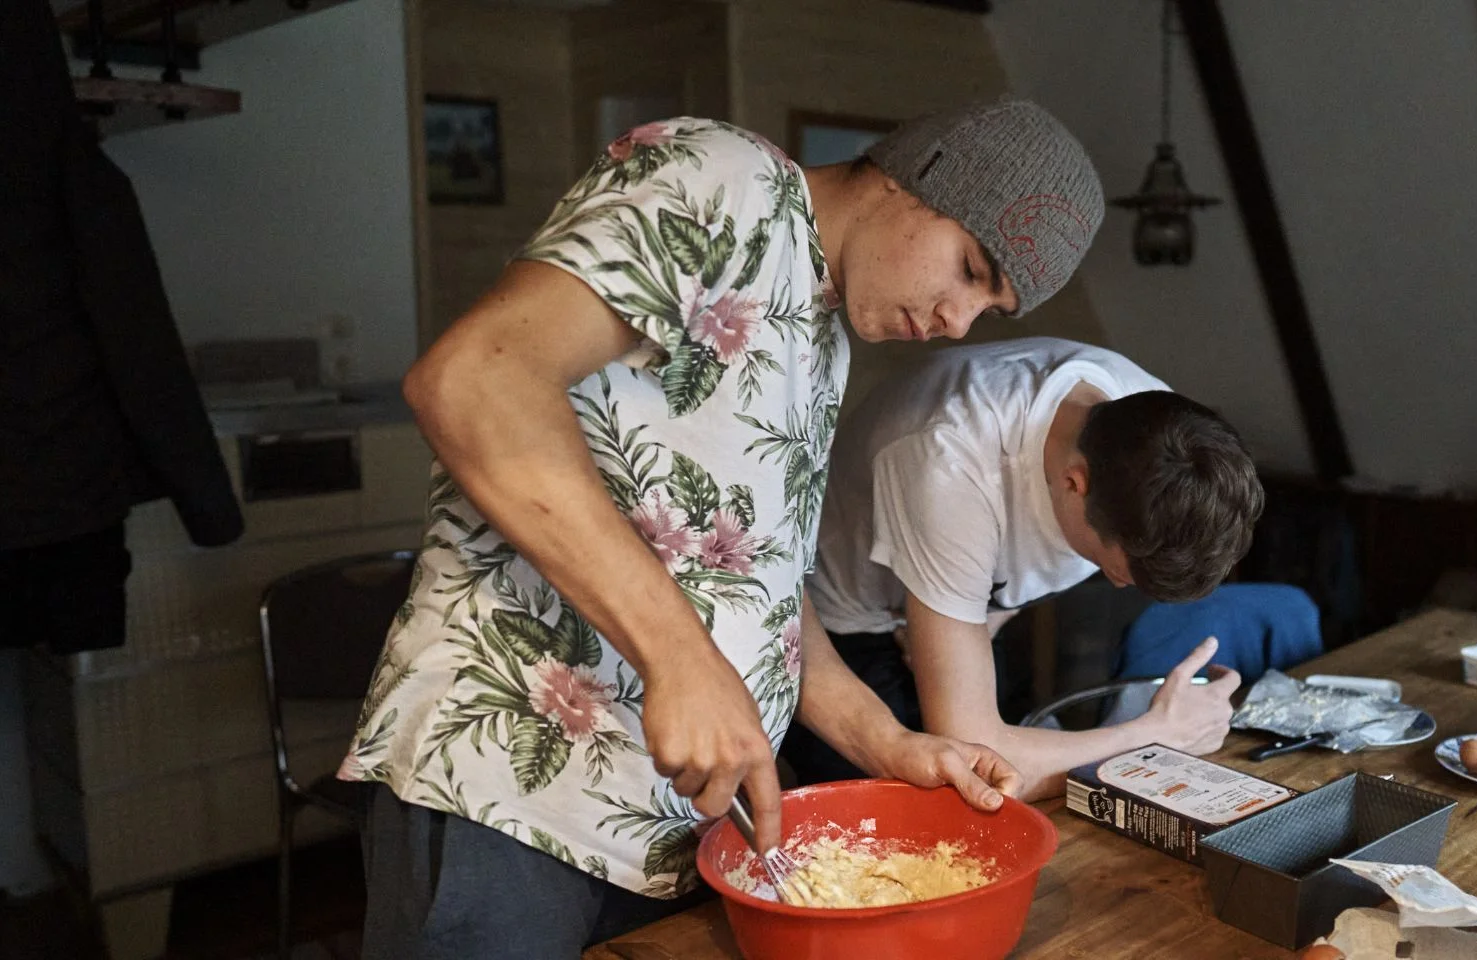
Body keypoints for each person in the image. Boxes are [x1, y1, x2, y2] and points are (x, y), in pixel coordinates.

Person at [339, 98, 1104, 956]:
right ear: (919, 177)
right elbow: (475, 378)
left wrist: (886, 741)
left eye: (988, 309)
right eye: (968, 268)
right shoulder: (724, 180)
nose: (957, 323)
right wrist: (681, 658)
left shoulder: (823, 334)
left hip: (665, 826)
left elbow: (759, 588)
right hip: (511, 789)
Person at [789, 337, 1265, 801]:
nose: (1119, 585)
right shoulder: (953, 464)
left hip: (969, 597)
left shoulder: (1158, 433)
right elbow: (981, 762)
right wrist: (1156, 736)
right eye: (1116, 570)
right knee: (914, 815)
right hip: (844, 625)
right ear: (1073, 483)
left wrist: (984, 614)